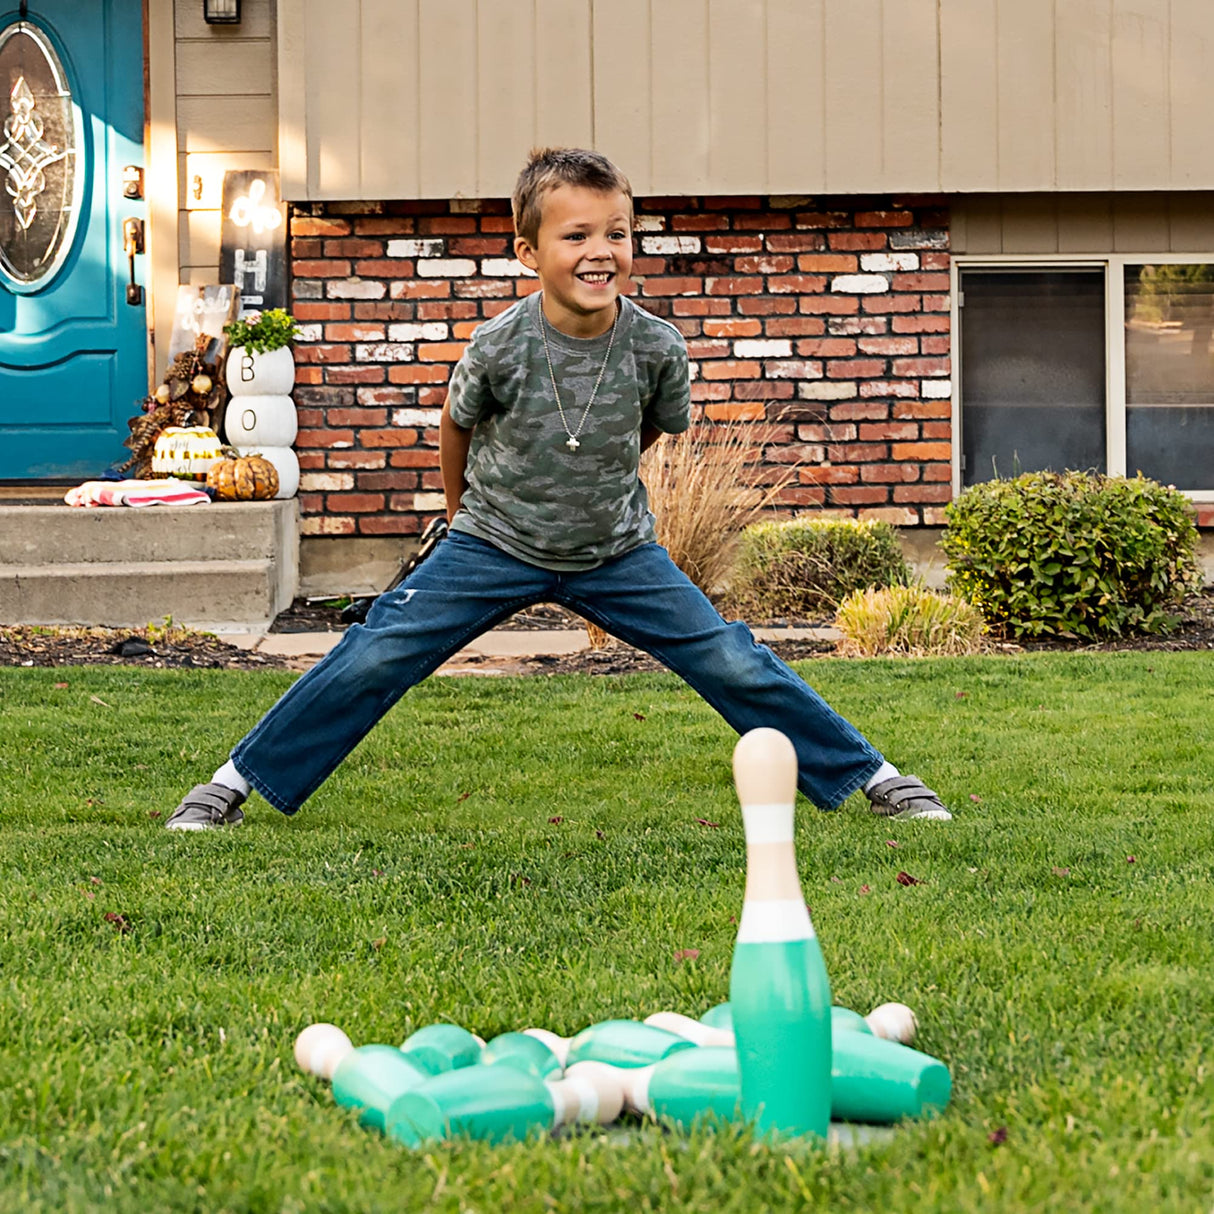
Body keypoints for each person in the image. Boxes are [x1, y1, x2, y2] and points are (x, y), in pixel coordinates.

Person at [166, 147, 951, 831]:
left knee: (729, 656)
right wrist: (458, 513)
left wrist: (597, 484)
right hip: (494, 542)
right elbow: (455, 425)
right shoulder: (499, 345)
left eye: (617, 233)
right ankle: (233, 783)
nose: (600, 250)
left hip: (616, 550)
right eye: (576, 235)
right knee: (377, 652)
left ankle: (873, 776)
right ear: (527, 251)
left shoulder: (656, 347)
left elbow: (650, 431)